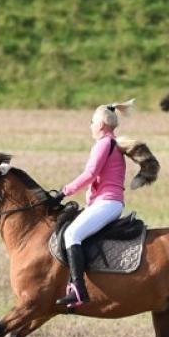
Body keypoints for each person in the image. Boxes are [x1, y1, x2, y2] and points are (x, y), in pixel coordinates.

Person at [54, 100, 141, 308]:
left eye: (92, 122)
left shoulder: (103, 144)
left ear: (101, 124)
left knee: (71, 235)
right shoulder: (111, 143)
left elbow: (90, 174)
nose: (90, 126)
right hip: (106, 203)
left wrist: (63, 192)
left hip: (107, 203)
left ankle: (78, 291)